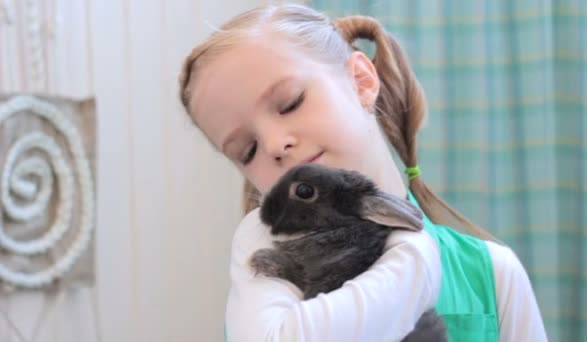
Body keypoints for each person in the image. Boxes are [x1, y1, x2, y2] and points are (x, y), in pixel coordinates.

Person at [178, 3, 548, 341]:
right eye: (248, 150)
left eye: (290, 103)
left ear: (362, 81)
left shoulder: (491, 276)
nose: (274, 145)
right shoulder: (261, 299)